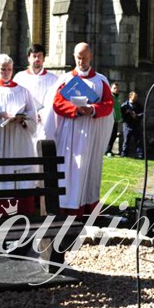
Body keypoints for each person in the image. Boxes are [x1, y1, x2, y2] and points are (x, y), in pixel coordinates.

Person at [44, 42, 114, 214]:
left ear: (90, 56)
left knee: (88, 172)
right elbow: (57, 103)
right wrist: (75, 109)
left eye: (84, 57)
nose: (81, 61)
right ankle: (67, 208)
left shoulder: (100, 81)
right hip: (70, 134)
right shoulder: (66, 79)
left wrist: (93, 109)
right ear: (74, 57)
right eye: (78, 58)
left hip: (90, 134)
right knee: (69, 171)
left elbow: (108, 104)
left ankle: (86, 208)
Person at [0, 54, 39, 214]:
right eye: (3, 69)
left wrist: (22, 119)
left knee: (18, 175)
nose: (6, 72)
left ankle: (19, 214)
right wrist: (0, 115)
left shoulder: (23, 91)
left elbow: (32, 116)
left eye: (9, 69)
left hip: (17, 141)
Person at [12, 43, 58, 139]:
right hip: (25, 122)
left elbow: (56, 101)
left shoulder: (54, 79)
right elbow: (15, 100)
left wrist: (43, 114)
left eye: (40, 56)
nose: (37, 59)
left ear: (44, 59)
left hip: (46, 123)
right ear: (28, 58)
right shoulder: (19, 77)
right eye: (34, 56)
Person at [120, 91, 144, 158]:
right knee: (126, 140)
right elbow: (121, 115)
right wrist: (127, 113)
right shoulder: (124, 105)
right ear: (130, 96)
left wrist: (136, 116)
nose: (136, 98)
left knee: (139, 141)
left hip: (136, 125)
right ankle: (124, 154)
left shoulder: (139, 105)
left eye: (136, 97)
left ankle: (140, 155)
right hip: (127, 125)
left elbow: (143, 113)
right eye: (135, 97)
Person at [105, 82, 121, 156]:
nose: (116, 89)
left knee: (114, 135)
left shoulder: (117, 97)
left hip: (115, 120)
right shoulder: (110, 97)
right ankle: (107, 151)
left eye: (117, 88)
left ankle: (109, 150)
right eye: (114, 88)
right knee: (110, 135)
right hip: (110, 120)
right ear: (111, 89)